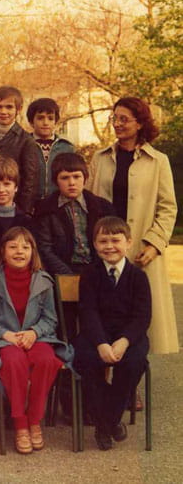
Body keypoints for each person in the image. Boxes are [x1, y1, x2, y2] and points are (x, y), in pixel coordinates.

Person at [87, 96, 178, 355]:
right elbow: (88, 201)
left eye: (123, 119)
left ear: (139, 123)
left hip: (140, 249)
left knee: (139, 322)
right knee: (102, 317)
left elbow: (167, 208)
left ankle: (133, 374)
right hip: (104, 249)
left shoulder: (158, 161)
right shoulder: (100, 158)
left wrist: (155, 244)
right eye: (114, 118)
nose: (117, 123)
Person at [0, 227, 72, 454]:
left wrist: (34, 333)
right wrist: (5, 334)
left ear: (33, 252)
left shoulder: (44, 281)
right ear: (3, 251)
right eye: (13, 246)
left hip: (37, 337)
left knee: (46, 360)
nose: (19, 251)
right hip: (6, 340)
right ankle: (20, 423)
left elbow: (51, 319)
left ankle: (34, 420)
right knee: (13, 362)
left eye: (25, 247)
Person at [72, 216, 151, 450]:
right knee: (84, 359)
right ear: (94, 244)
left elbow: (142, 316)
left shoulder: (138, 277)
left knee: (134, 362)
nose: (109, 246)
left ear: (128, 242)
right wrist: (101, 343)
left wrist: (124, 341)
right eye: (103, 241)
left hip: (129, 336)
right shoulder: (90, 274)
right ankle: (111, 422)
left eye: (115, 240)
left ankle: (105, 424)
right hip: (96, 334)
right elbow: (88, 312)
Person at [32, 153, 115, 276]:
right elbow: (44, 248)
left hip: (98, 271)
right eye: (65, 178)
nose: (71, 183)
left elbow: (110, 243)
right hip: (61, 271)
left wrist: (98, 270)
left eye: (76, 177)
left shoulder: (103, 207)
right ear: (56, 181)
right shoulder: (46, 209)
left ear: (85, 178)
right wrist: (67, 274)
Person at [0, 86, 40, 214]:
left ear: (19, 109)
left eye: (9, 107)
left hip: (15, 208)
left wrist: (23, 211)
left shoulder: (26, 141)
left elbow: (30, 180)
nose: (3, 111)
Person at [26, 98, 74, 201]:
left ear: (56, 122)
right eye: (40, 118)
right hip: (30, 202)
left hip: (58, 202)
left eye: (50, 118)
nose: (45, 123)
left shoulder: (66, 148)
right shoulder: (24, 145)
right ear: (31, 122)